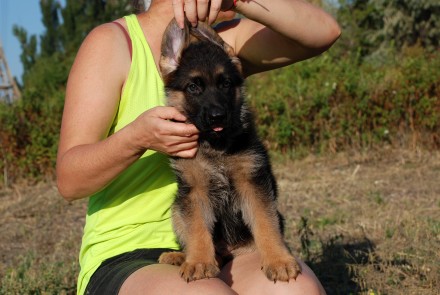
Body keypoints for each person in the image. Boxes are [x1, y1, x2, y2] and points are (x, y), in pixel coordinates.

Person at [56, 0, 340, 294]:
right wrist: (136, 139)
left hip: (233, 242)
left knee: (296, 290)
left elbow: (324, 32)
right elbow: (69, 180)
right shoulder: (112, 43)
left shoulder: (221, 43)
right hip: (130, 251)